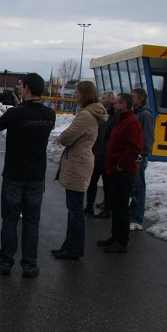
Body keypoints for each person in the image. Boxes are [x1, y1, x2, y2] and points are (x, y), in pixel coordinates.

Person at [0, 72, 56, 278]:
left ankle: (6, 263)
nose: (18, 88)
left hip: (15, 174)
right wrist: (19, 105)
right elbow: (29, 120)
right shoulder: (49, 115)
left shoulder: (17, 114)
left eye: (20, 85)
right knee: (32, 221)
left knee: (10, 220)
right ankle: (29, 265)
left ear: (26, 88)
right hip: (36, 175)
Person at [52, 81, 108, 260]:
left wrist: (61, 136)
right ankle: (69, 245)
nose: (74, 94)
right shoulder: (91, 114)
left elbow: (67, 137)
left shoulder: (85, 115)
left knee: (75, 209)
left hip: (78, 163)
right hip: (81, 161)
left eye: (76, 92)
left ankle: (73, 248)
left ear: (85, 94)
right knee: (74, 208)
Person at [98, 92, 142, 254]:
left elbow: (135, 146)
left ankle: (122, 241)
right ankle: (115, 236)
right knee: (116, 206)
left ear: (124, 105)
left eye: (116, 103)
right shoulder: (121, 120)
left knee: (122, 207)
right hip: (115, 169)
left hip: (123, 171)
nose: (114, 105)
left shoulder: (131, 122)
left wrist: (121, 164)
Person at [86, 90, 116, 216]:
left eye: (103, 98)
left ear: (109, 100)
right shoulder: (101, 114)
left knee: (107, 183)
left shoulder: (113, 116)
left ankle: (107, 209)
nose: (101, 99)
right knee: (92, 182)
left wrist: (101, 151)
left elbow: (107, 137)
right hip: (98, 153)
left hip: (105, 155)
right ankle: (89, 207)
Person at [128, 88, 155, 231]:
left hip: (139, 157)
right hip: (134, 156)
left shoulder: (145, 115)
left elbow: (147, 137)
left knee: (138, 187)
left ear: (140, 99)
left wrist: (142, 153)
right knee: (133, 186)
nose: (131, 99)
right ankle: (132, 214)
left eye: (133, 97)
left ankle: (137, 219)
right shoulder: (136, 113)